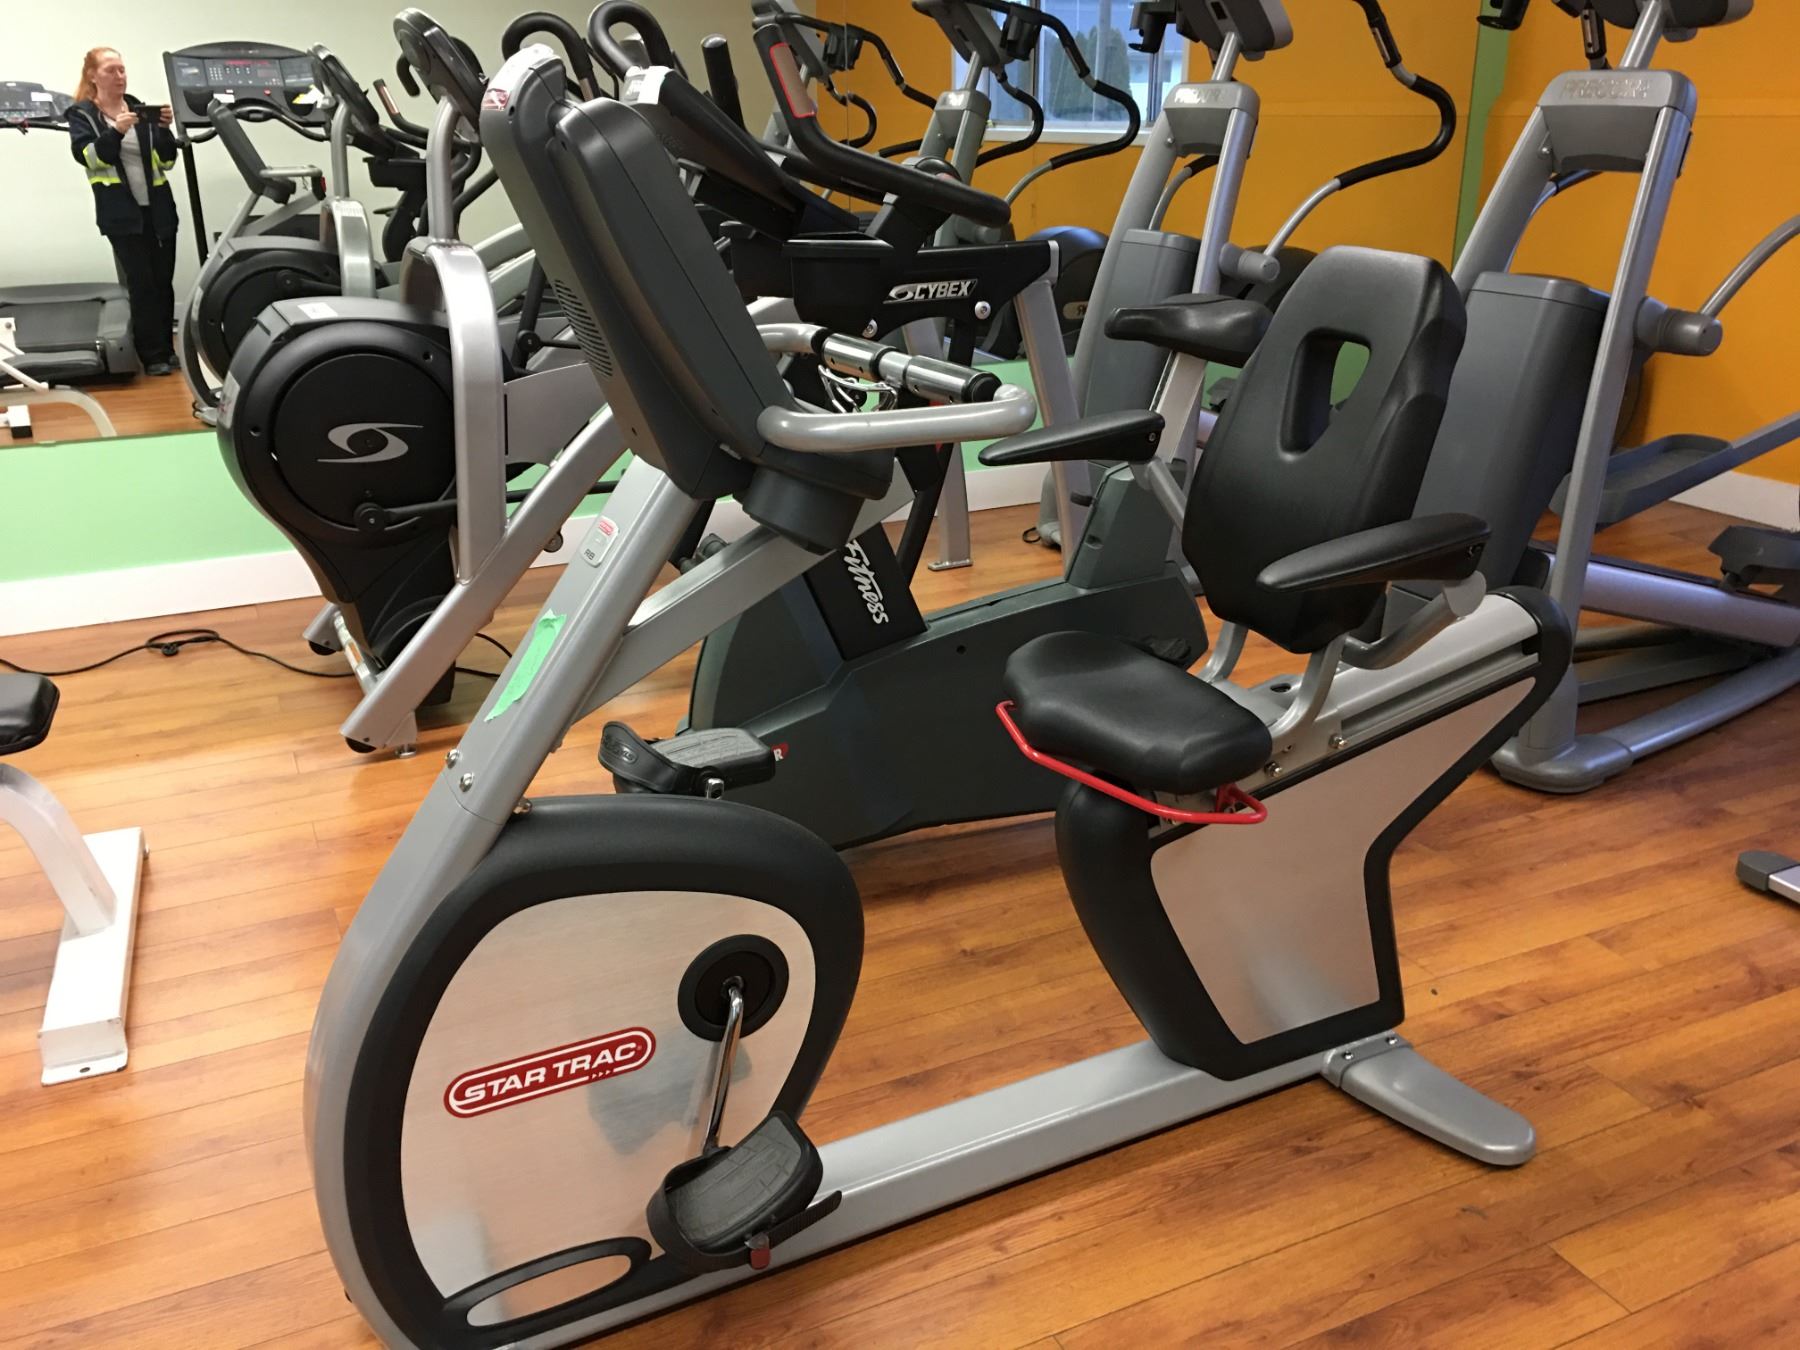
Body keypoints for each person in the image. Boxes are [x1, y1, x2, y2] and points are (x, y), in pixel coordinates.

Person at [67, 46, 180, 376]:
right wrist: (116, 131)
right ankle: (152, 355)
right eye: (111, 70)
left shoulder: (139, 108)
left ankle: (167, 349)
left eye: (122, 69)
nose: (120, 76)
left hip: (159, 211)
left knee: (163, 282)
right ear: (93, 75)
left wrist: (164, 129)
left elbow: (167, 162)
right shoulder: (83, 115)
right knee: (141, 283)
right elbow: (90, 157)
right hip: (121, 215)